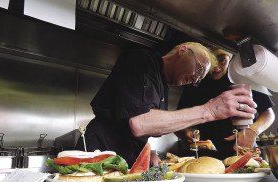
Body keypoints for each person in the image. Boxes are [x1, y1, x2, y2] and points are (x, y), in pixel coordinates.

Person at [76, 42, 257, 166]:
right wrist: (209, 110)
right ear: (183, 50)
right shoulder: (141, 60)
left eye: (200, 79)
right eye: (199, 69)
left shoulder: (162, 84)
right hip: (98, 155)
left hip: (124, 161)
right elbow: (140, 124)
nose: (196, 79)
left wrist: (144, 153)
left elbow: (147, 127)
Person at [176, 48, 275, 160]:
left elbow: (269, 114)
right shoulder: (195, 81)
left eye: (222, 60)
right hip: (205, 154)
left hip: (242, 150)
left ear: (230, 58)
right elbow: (178, 121)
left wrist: (253, 130)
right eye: (211, 61)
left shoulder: (243, 77)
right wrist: (186, 132)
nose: (216, 67)